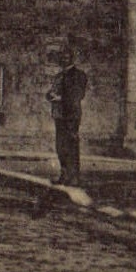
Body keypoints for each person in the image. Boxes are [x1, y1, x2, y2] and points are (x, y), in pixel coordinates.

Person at [47, 45, 88, 185]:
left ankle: (74, 177)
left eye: (66, 57)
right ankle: (64, 175)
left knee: (71, 145)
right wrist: (50, 95)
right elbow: (52, 91)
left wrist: (61, 98)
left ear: (71, 58)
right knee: (60, 146)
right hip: (59, 115)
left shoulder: (78, 75)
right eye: (62, 58)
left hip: (71, 115)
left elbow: (78, 95)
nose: (63, 59)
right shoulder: (59, 76)